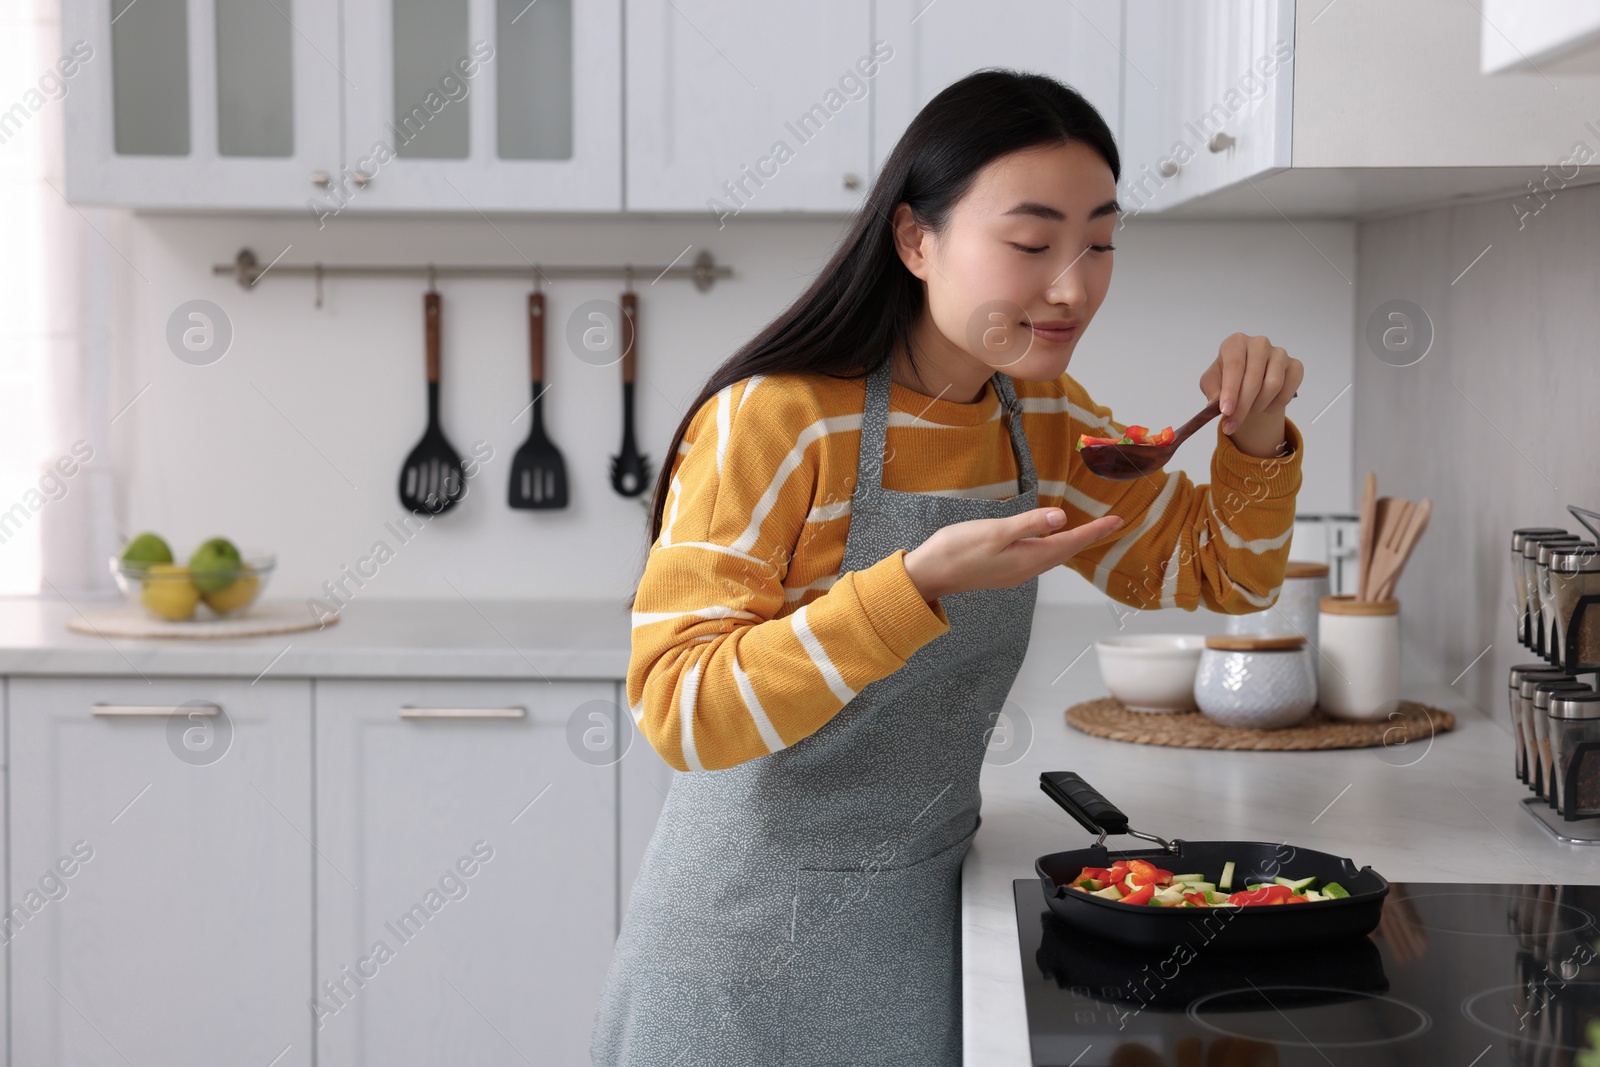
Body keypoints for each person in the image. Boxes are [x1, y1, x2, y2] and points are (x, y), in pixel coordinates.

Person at [591, 68, 1304, 1066]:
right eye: (1029, 242)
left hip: (928, 917)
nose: (1072, 284)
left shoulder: (1040, 419)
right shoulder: (776, 419)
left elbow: (1218, 575)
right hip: (742, 946)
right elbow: (681, 709)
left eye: (1099, 242)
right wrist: (910, 586)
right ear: (915, 237)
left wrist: (1256, 438)